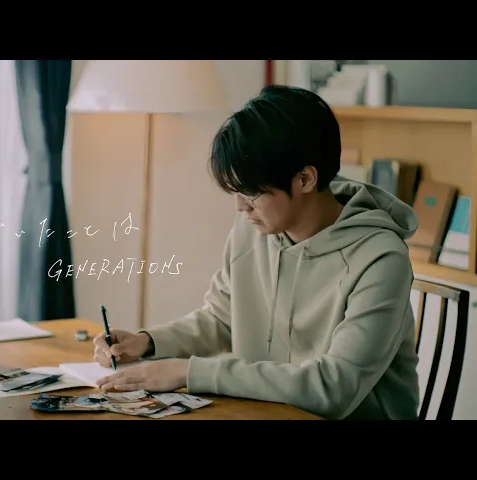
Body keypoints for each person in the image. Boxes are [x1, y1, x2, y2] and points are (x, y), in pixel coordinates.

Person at [93, 85, 421, 420]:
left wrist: (189, 372)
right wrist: (147, 342)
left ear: (305, 179)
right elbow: (223, 318)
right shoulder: (254, 229)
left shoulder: (381, 259)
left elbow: (333, 388)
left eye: (250, 192)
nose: (240, 207)